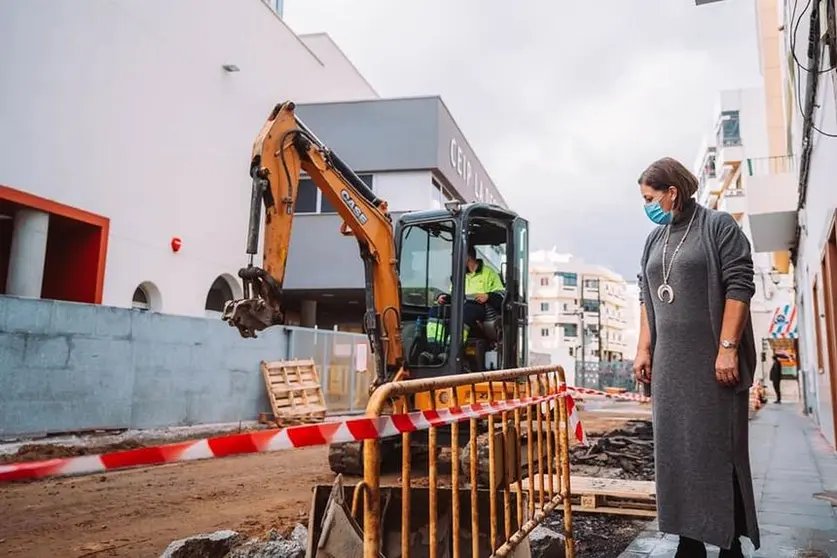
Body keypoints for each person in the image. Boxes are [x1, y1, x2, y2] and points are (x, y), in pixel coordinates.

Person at [632, 157, 760, 557]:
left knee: (720, 450)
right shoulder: (656, 238)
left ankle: (729, 540)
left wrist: (728, 349)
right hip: (671, 368)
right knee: (676, 453)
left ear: (673, 192)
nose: (647, 205)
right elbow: (647, 295)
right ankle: (688, 540)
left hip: (714, 364)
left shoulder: (717, 226)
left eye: (651, 197)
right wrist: (643, 349)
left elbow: (740, 284)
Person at [424, 245, 504, 358]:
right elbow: (453, 295)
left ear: (466, 257)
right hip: (460, 305)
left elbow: (501, 295)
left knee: (464, 313)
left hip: (480, 308)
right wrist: (444, 297)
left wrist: (488, 296)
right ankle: (433, 351)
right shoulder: (458, 275)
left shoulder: (489, 273)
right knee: (435, 311)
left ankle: (451, 352)